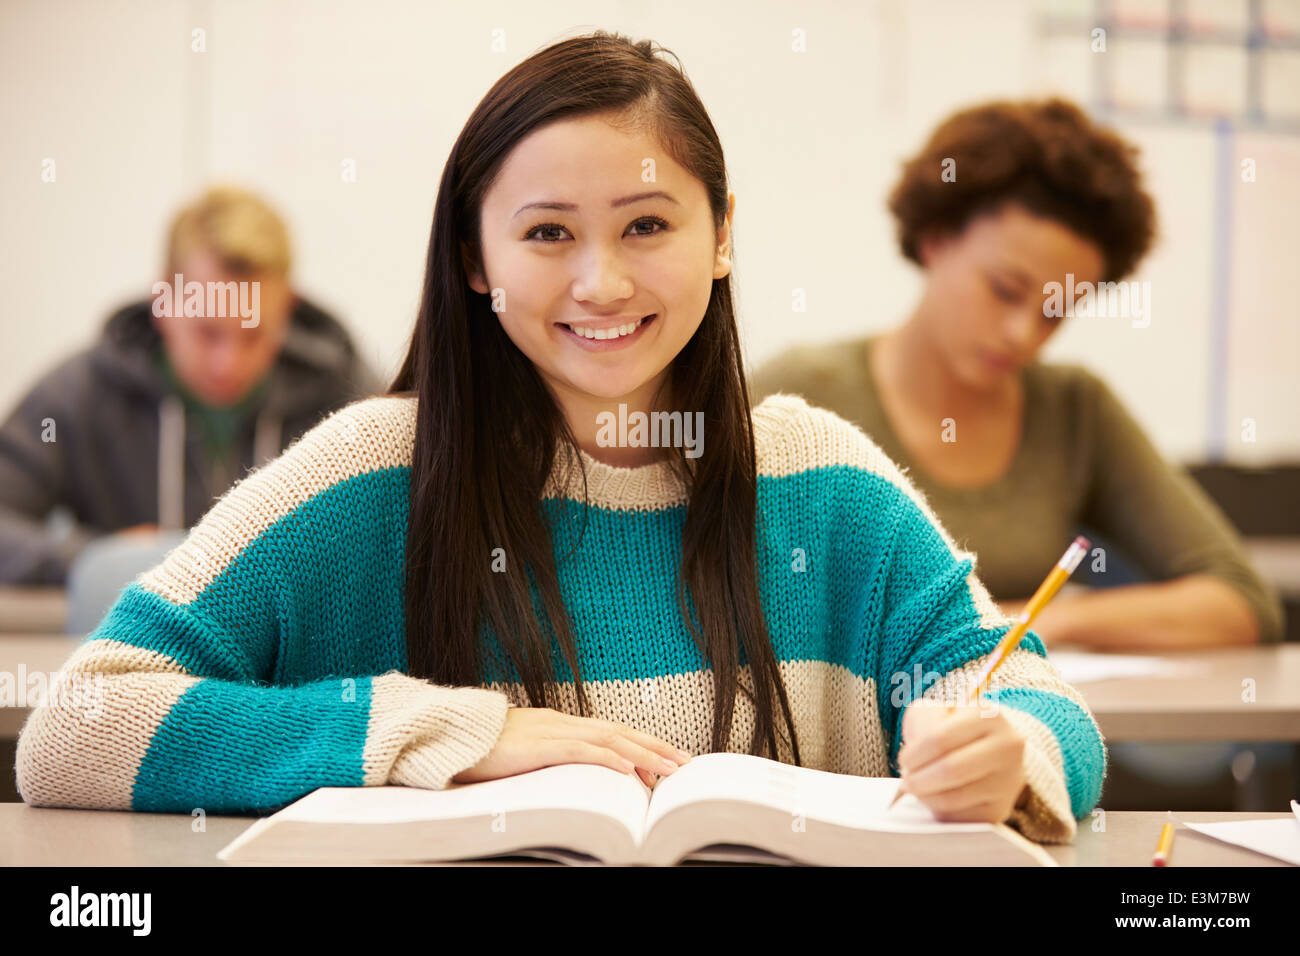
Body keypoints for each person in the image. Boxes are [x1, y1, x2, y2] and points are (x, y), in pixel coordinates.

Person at [16, 33, 1105, 844]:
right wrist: (437, 732)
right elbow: (80, 725)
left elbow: (1039, 700)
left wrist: (1013, 751)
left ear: (722, 234)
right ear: (476, 259)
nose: (601, 282)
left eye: (647, 224)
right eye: (546, 233)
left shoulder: (826, 485)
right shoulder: (368, 472)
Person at [751, 98, 1284, 651]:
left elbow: (1240, 600)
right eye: (1004, 290)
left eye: (1056, 311)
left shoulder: (1074, 409)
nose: (1023, 335)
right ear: (936, 240)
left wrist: (1042, 621)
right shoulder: (798, 394)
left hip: (1023, 728)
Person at [0, 185, 382, 586]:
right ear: (163, 303)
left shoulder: (352, 403)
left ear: (287, 307)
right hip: (133, 642)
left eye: (253, 335)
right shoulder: (78, 395)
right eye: (207, 332)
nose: (228, 363)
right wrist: (97, 562)